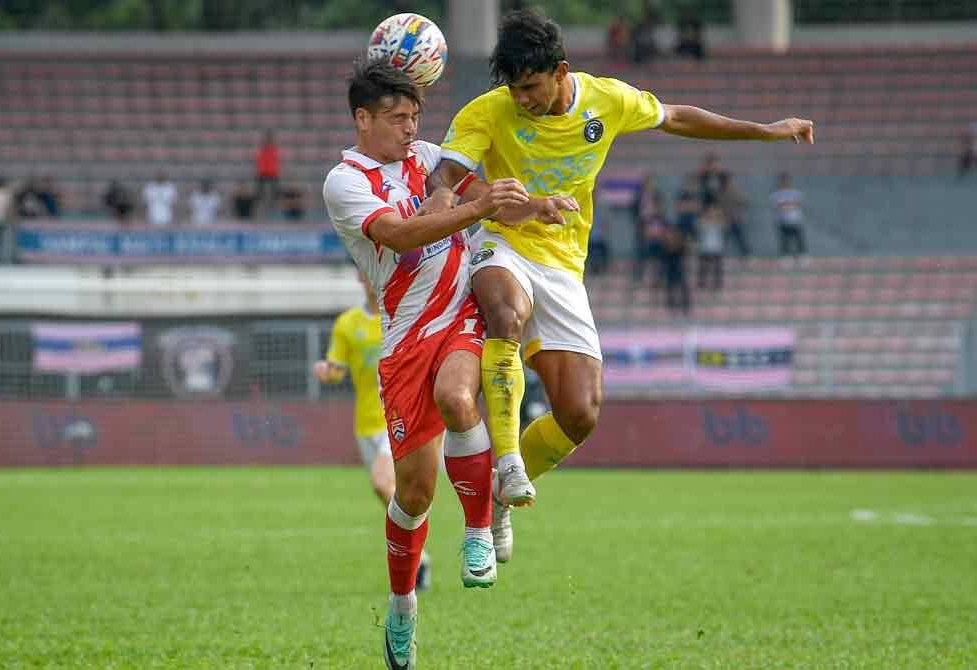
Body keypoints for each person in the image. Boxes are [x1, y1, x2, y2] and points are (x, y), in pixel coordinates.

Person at [427, 8, 813, 561]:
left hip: (563, 263)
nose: (523, 100)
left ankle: (497, 498)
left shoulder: (606, 100)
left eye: (532, 87)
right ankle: (508, 461)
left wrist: (764, 130)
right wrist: (445, 197)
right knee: (503, 313)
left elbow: (677, 116)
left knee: (580, 414)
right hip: (501, 243)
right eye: (514, 90)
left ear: (560, 71)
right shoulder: (487, 112)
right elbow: (447, 175)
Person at [321, 59, 530, 670]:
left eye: (415, 117)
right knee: (412, 495)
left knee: (460, 398)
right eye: (396, 118)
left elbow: (488, 203)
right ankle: (402, 610)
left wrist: (535, 205)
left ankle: (476, 533)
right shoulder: (345, 181)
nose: (410, 129)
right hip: (405, 339)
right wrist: (477, 207)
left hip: (461, 312)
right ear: (363, 119)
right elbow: (402, 236)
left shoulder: (433, 157)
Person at [312, 273, 431, 592]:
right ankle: (418, 554)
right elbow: (337, 369)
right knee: (390, 491)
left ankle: (415, 550)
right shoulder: (348, 324)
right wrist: (327, 372)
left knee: (382, 483)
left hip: (399, 416)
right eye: (367, 274)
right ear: (360, 278)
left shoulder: (405, 314)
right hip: (366, 422)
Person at [771, 172, 808, 263]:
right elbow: (778, 206)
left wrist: (787, 205)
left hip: (796, 220)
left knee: (799, 239)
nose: (785, 182)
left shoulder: (796, 193)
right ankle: (785, 256)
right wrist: (790, 205)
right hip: (782, 220)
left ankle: (802, 256)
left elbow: (800, 204)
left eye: (786, 180)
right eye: (783, 180)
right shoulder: (776, 194)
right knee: (784, 240)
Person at [697, 199, 727, 290]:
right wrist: (709, 220)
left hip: (717, 247)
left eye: (714, 210)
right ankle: (701, 283)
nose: (712, 212)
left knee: (717, 267)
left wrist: (718, 217)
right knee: (703, 267)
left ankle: (717, 284)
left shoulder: (720, 221)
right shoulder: (703, 220)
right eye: (710, 210)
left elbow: (724, 226)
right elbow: (700, 227)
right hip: (705, 247)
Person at [255, 130, 281, 215]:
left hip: (272, 173)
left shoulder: (273, 150)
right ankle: (261, 205)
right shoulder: (262, 150)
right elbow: (259, 162)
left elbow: (275, 162)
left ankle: (273, 205)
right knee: (260, 192)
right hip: (263, 173)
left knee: (275, 191)